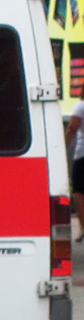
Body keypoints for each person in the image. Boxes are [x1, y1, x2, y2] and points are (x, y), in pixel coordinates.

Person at [65, 98, 84, 240]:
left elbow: (72, 129)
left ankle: (83, 226)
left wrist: (62, 146)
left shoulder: (81, 105)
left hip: (83, 155)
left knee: (79, 191)